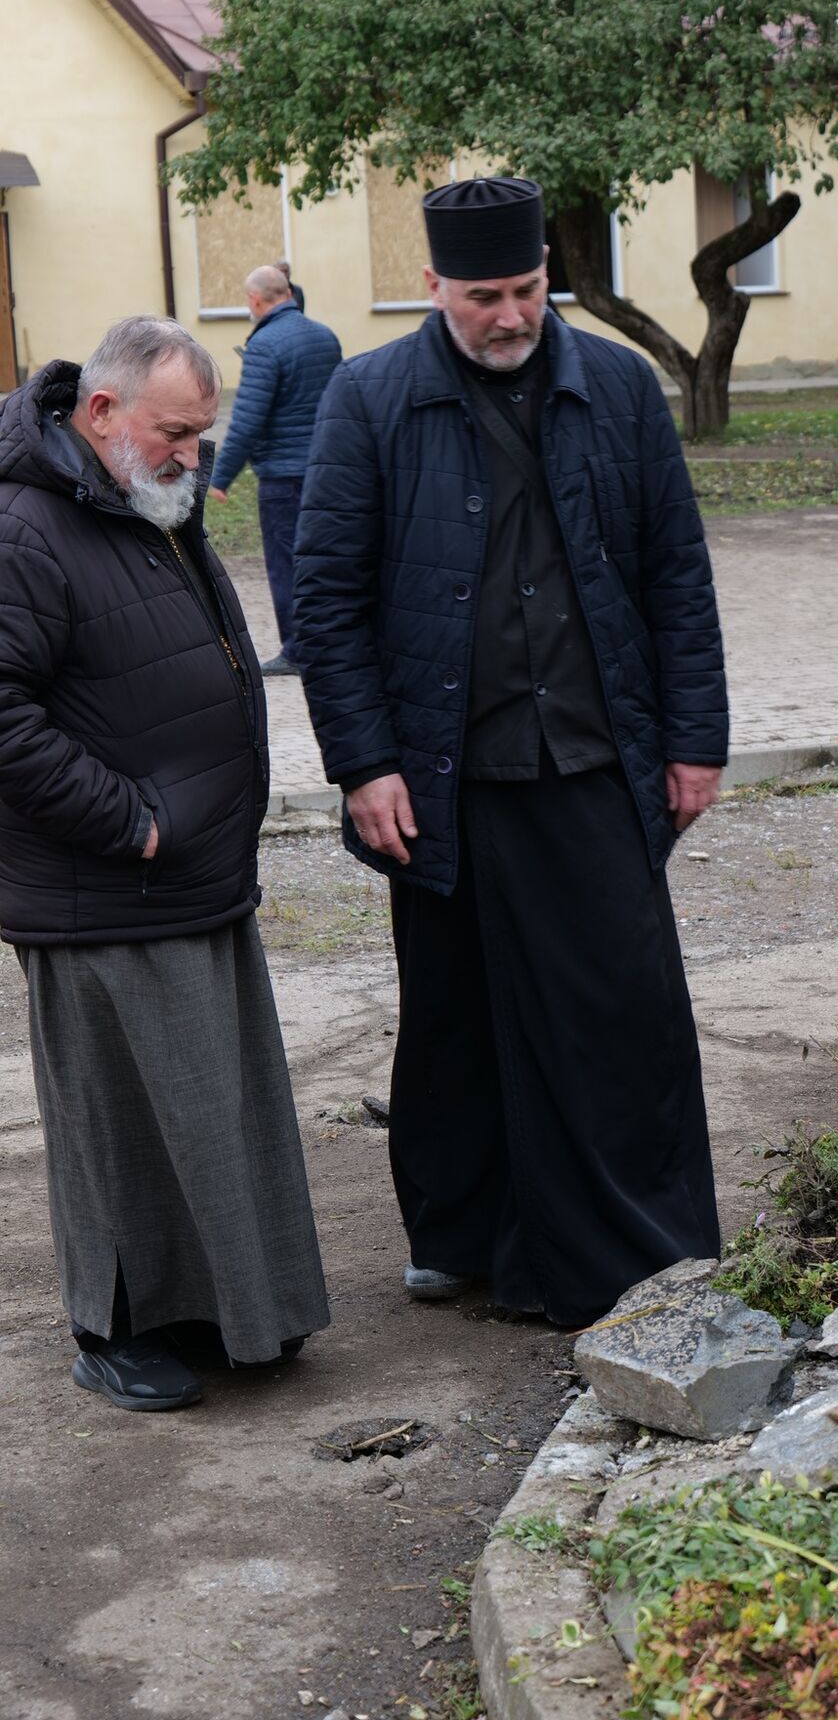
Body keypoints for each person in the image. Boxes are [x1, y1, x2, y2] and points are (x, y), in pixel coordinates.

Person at [293, 176, 727, 1327]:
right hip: (443, 774)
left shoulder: (619, 387)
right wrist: (363, 763)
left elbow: (676, 573)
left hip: (593, 757)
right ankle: (461, 1231)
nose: (511, 314)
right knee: (454, 1014)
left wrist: (694, 739)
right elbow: (327, 602)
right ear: (433, 286)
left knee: (622, 1009)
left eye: (527, 289)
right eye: (483, 295)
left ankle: (635, 1251)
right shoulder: (368, 397)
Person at [0, 316, 328, 1411]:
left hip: (189, 868)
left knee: (208, 1103)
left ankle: (225, 1309)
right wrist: (128, 822)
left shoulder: (139, 492)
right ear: (101, 411)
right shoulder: (25, 525)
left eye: (201, 433)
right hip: (104, 880)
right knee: (116, 1119)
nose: (194, 454)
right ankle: (115, 1328)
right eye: (176, 431)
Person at [209, 265, 341, 676]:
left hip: (283, 479)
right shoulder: (325, 336)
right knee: (325, 560)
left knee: (286, 565)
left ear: (255, 300)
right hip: (325, 470)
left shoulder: (264, 345)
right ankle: (333, 641)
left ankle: (297, 650)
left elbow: (248, 420)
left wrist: (220, 476)